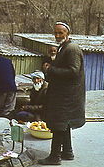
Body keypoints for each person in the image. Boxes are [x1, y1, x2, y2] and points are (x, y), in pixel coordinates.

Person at [38, 21, 85, 165]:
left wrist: (50, 69)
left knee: (58, 125)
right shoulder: (63, 47)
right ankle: (67, 152)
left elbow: (73, 71)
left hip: (67, 96)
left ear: (68, 33)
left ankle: (54, 157)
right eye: (56, 32)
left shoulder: (72, 48)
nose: (57, 35)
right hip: (64, 94)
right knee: (65, 124)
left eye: (61, 33)